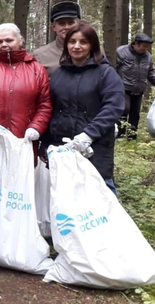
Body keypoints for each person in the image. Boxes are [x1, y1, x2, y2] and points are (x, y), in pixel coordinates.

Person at [43, 23, 124, 194]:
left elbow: (113, 107)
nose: (77, 46)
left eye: (83, 42)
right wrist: (45, 143)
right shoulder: (59, 74)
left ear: (92, 46)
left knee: (100, 196)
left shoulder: (106, 73)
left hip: (95, 147)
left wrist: (89, 134)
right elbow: (51, 108)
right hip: (62, 147)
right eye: (72, 42)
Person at [0, 23, 52, 189]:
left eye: (9, 40)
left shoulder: (36, 69)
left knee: (17, 195)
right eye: (0, 41)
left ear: (20, 40)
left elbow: (44, 104)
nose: (4, 44)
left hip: (22, 143)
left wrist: (36, 128)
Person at [115, 33, 155, 140]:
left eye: (147, 46)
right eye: (144, 46)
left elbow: (151, 72)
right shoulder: (121, 52)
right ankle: (120, 136)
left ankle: (132, 138)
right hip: (123, 88)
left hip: (139, 90)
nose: (146, 48)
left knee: (135, 114)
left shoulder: (147, 56)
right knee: (124, 110)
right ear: (136, 44)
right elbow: (112, 68)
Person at [33, 1, 81, 76]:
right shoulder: (40, 55)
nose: (67, 27)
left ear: (78, 24)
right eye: (61, 23)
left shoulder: (95, 51)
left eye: (71, 23)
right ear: (53, 27)